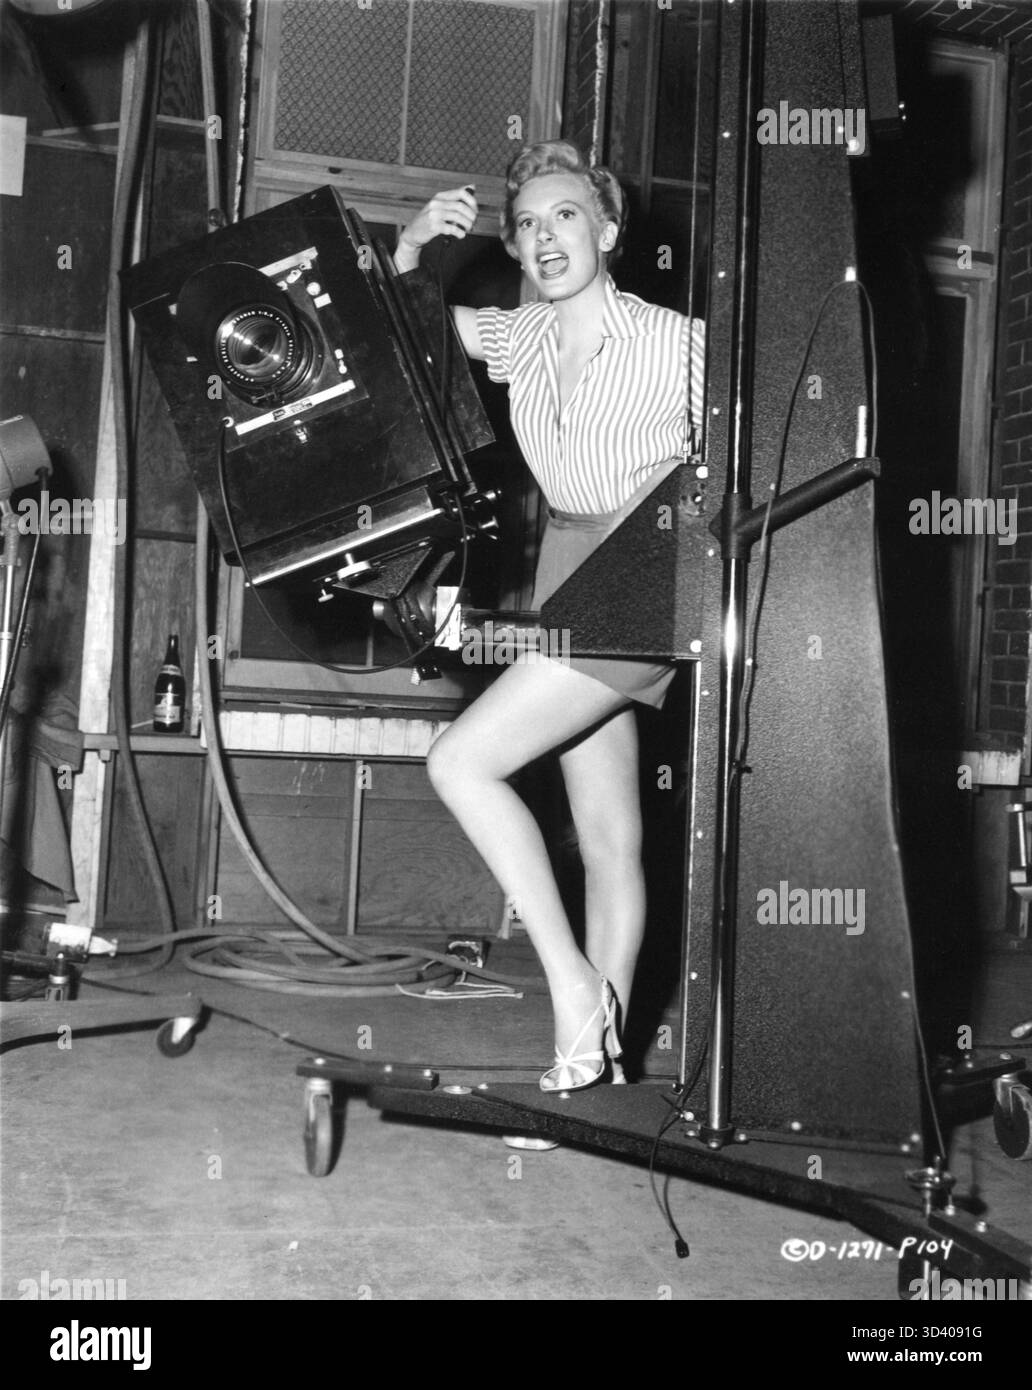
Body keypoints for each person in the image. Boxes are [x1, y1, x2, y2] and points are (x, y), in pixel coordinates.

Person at [394, 140, 704, 1092]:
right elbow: (399, 337)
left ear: (607, 231)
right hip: (567, 565)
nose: (543, 236)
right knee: (608, 835)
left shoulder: (677, 341)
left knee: (462, 760)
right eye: (527, 224)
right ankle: (595, 1059)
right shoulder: (518, 336)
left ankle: (572, 984)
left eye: (565, 215)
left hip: (648, 561)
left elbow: (755, 451)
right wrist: (409, 249)